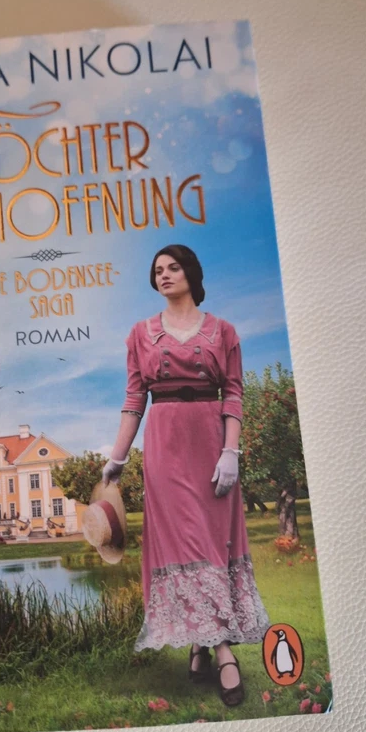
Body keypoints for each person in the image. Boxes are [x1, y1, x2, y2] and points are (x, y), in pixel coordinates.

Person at [102, 244, 269, 706]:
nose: (164, 275)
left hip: (210, 442)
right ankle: (223, 652)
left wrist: (231, 452)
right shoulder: (139, 333)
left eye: (173, 267)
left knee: (213, 545)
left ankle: (200, 646)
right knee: (187, 544)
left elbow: (233, 393)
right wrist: (118, 457)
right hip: (165, 444)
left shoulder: (224, 331)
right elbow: (134, 400)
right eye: (158, 270)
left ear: (191, 273)